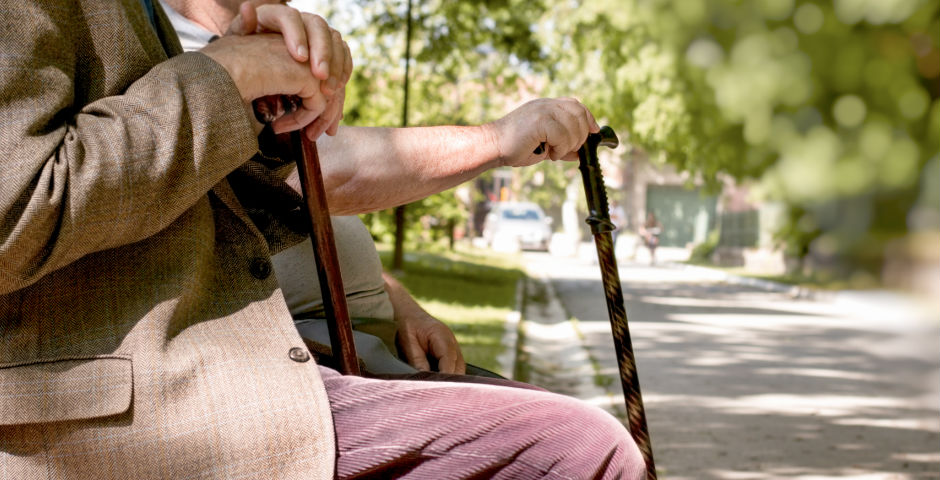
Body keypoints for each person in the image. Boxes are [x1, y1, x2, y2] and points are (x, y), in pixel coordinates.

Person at [0, 1, 645, 479]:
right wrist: (225, 76)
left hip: (304, 352)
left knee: (561, 426)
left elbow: (239, 199)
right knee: (582, 448)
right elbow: (16, 209)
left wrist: (398, 300)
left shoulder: (168, 25)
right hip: (165, 398)